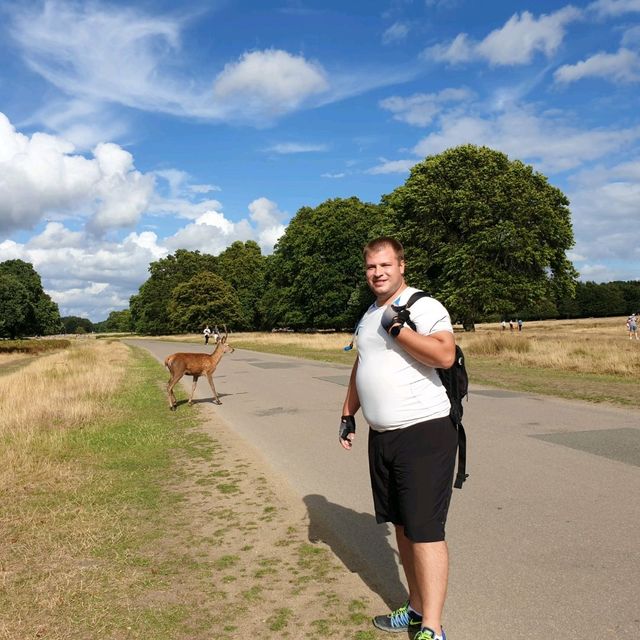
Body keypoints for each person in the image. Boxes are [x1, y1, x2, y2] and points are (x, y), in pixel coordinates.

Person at [339, 237, 457, 640]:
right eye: (372, 267)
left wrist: (399, 329)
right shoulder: (369, 314)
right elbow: (362, 364)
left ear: (402, 265)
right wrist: (347, 414)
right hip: (383, 437)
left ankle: (432, 627)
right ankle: (416, 607)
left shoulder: (423, 306)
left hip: (424, 433)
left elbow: (444, 355)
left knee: (425, 531)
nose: (378, 273)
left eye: (386, 265)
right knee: (403, 529)